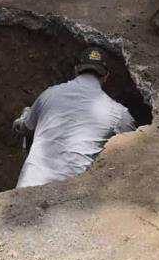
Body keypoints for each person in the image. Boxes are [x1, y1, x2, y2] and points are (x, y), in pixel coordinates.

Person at [13, 47, 136, 188]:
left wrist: (21, 120)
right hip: (72, 195)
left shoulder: (49, 94)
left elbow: (26, 128)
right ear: (106, 76)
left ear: (76, 70)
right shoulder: (119, 113)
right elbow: (133, 146)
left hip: (27, 188)